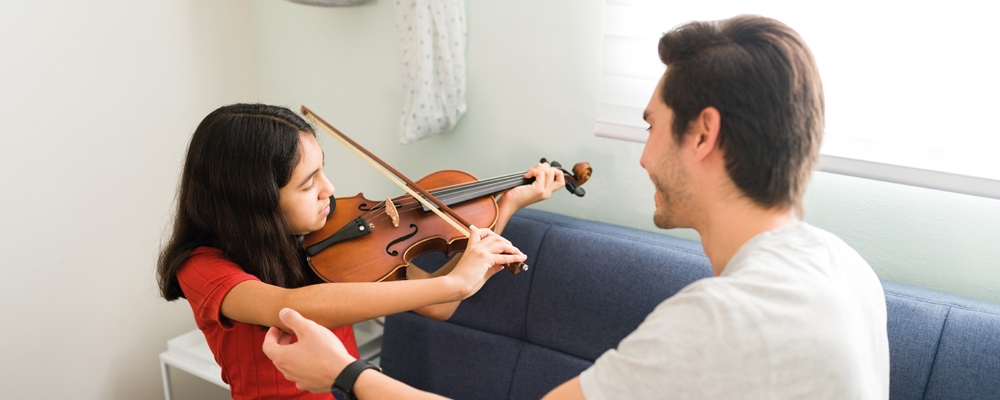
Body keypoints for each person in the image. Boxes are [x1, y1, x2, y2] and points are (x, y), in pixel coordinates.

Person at [261, 14, 892, 400]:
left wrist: (345, 376)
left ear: (703, 134)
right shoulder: (843, 267)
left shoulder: (725, 318)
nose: (644, 158)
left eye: (651, 128)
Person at [156, 103, 566, 400]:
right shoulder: (203, 269)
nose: (329, 190)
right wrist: (458, 282)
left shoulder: (331, 232)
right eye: (307, 183)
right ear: (254, 200)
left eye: (323, 170)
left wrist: (507, 203)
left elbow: (439, 304)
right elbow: (293, 306)